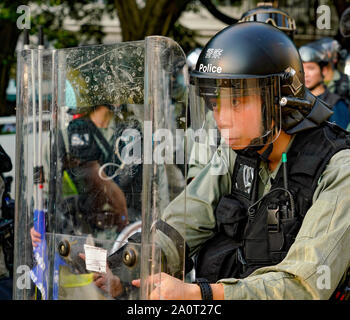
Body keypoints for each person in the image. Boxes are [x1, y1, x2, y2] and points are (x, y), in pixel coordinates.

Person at [129, 22, 350, 300]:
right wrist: (126, 264)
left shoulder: (339, 169)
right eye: (214, 103)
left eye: (236, 102)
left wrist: (202, 295)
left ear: (277, 99)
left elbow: (302, 287)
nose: (221, 119)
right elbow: (183, 224)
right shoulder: (238, 153)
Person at [299, 43, 350, 130]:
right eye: (301, 68)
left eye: (311, 68)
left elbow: (341, 140)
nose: (305, 74)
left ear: (324, 71)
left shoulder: (335, 104)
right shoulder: (296, 100)